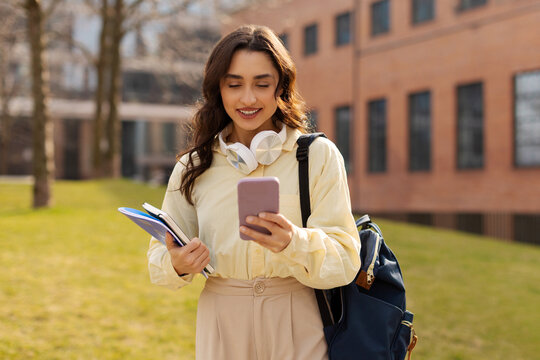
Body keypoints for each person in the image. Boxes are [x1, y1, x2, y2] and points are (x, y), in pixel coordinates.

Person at [147, 24, 361, 360]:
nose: (248, 99)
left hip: (297, 320)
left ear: (281, 87)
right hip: (221, 322)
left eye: (262, 84)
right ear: (218, 90)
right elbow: (158, 259)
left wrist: (295, 242)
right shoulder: (192, 167)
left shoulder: (317, 156)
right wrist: (177, 264)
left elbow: (346, 259)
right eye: (234, 85)